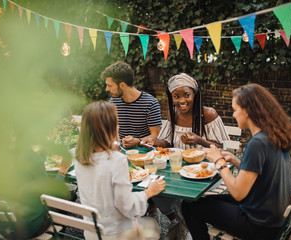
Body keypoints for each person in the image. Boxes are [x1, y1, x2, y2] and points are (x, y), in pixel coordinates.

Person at [181, 83, 291, 240]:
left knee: (189, 206)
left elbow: (238, 192)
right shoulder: (274, 135)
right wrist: (234, 160)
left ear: (247, 111)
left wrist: (219, 161)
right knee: (199, 201)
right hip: (272, 215)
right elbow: (258, 175)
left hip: (258, 225)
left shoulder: (257, 143)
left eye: (235, 110)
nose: (234, 115)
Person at [75, 101, 165, 240]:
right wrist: (149, 192)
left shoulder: (79, 156)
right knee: (152, 224)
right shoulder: (117, 160)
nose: (119, 127)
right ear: (108, 129)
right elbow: (127, 207)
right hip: (118, 234)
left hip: (92, 232)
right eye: (116, 123)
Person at [143, 73, 229, 149]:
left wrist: (199, 140)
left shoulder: (208, 114)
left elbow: (220, 146)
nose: (182, 101)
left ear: (194, 94)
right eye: (176, 97)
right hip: (179, 164)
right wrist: (153, 141)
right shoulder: (173, 113)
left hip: (205, 165)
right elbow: (167, 142)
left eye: (187, 95)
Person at [101, 61, 162, 148]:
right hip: (120, 152)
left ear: (122, 85)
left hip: (144, 154)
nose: (107, 89)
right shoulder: (113, 102)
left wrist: (137, 141)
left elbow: (154, 136)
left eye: (109, 86)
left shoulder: (151, 103)